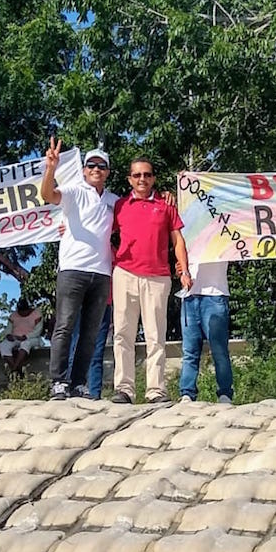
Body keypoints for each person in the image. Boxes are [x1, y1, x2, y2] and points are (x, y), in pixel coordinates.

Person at [111, 157, 192, 404]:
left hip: (157, 276)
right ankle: (124, 389)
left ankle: (156, 390)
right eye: (137, 175)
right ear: (129, 179)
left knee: (156, 335)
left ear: (154, 178)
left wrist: (184, 270)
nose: (142, 179)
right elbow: (101, 233)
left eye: (147, 174)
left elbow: (177, 240)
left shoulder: (165, 204)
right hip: (125, 274)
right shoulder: (119, 205)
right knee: (123, 334)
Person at [41, 138, 117, 400]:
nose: (96, 169)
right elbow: (48, 195)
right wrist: (50, 168)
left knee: (91, 333)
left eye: (102, 166)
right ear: (84, 170)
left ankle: (78, 384)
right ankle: (58, 382)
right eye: (91, 165)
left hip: (102, 273)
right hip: (73, 269)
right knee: (64, 326)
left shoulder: (113, 200)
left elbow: (137, 209)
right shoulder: (74, 190)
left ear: (107, 172)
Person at [178, 261, 233, 404]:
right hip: (189, 295)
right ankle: (187, 393)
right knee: (189, 350)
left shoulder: (221, 238)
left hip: (215, 294)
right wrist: (181, 270)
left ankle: (225, 393)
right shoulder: (188, 239)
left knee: (219, 350)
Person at [0, 298, 44, 377]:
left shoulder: (37, 314)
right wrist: (8, 335)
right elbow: (8, 329)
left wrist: (26, 336)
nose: (22, 313)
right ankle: (16, 369)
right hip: (16, 337)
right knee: (3, 345)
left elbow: (38, 331)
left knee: (25, 344)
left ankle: (14, 369)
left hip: (32, 338)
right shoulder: (13, 316)